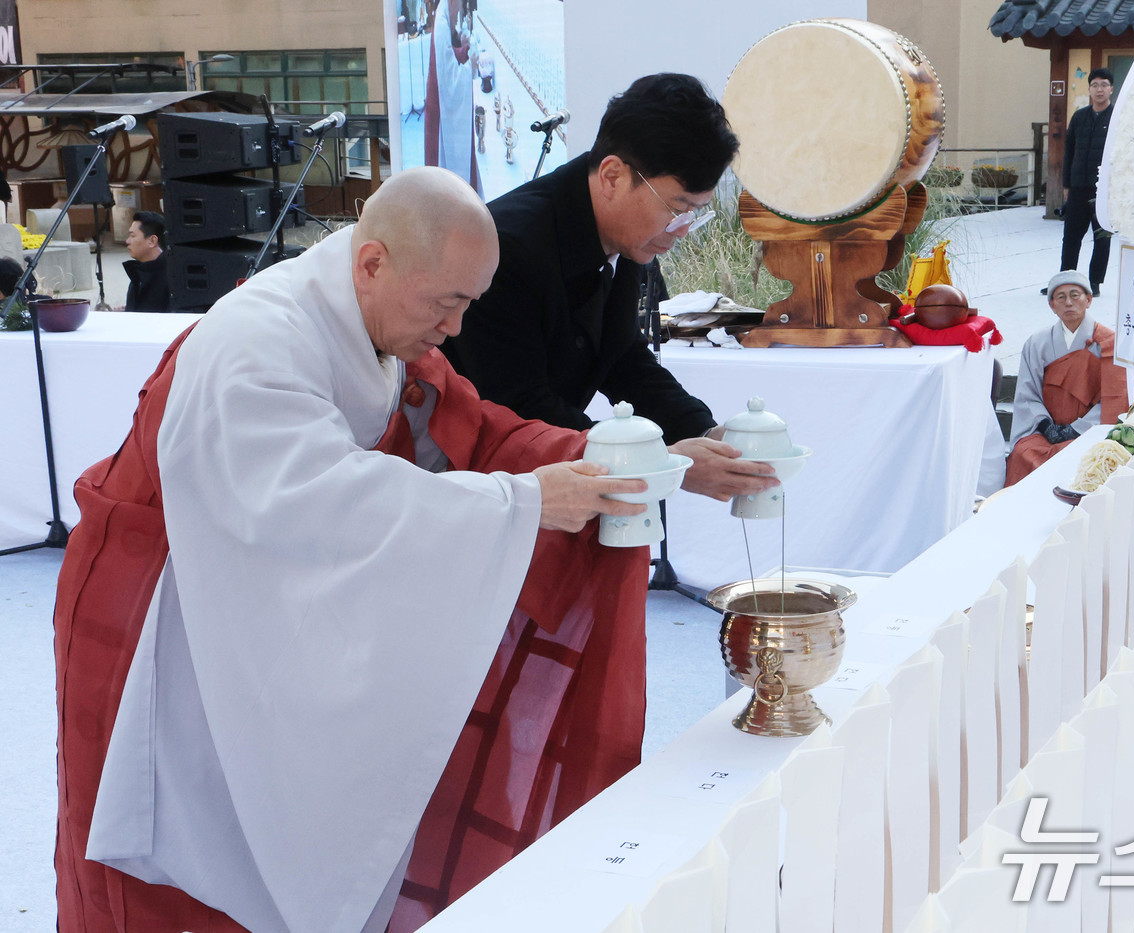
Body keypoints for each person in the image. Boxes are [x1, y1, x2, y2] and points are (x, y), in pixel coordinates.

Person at [54, 167, 656, 932]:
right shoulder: (255, 343)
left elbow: (473, 430)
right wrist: (527, 501)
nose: (458, 328)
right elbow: (321, 504)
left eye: (471, 303)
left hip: (240, 607)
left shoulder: (374, 317)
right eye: (449, 303)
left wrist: (614, 459)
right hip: (151, 621)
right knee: (167, 879)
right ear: (372, 262)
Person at [441, 73, 777, 502]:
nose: (683, 230)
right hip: (478, 485)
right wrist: (665, 462)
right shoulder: (508, 247)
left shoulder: (627, 235)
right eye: (677, 208)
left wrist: (706, 432)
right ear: (613, 176)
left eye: (696, 212)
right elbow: (518, 406)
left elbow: (622, 359)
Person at [1006, 270, 1129, 485]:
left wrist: (1076, 429)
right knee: (1023, 453)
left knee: (1087, 457)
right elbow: (1027, 394)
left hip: (1089, 431)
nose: (1069, 303)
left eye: (1075, 295)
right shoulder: (1037, 343)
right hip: (1046, 431)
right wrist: (1045, 426)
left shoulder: (1110, 343)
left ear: (1089, 300)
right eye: (1060, 297)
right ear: (1052, 305)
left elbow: (1114, 399)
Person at [1053, 68, 1115, 298]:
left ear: (1111, 89)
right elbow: (1068, 152)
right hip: (1078, 186)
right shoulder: (1079, 117)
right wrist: (1066, 185)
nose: (1099, 89)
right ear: (1089, 89)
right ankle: (1064, 281)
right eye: (1095, 85)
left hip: (1103, 189)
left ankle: (1095, 282)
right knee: (1071, 237)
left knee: (1101, 237)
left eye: (1104, 85)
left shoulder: (1118, 117)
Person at [423, 0, 483, 195]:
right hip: (441, 108)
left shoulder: (443, 17)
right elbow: (448, 76)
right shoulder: (440, 23)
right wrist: (469, 66)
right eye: (458, 4)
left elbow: (448, 53)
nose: (459, 9)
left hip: (437, 100)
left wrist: (462, 47)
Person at [121, 210, 171, 311]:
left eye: (133, 235)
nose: (127, 241)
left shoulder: (170, 277)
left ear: (152, 241)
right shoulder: (140, 272)